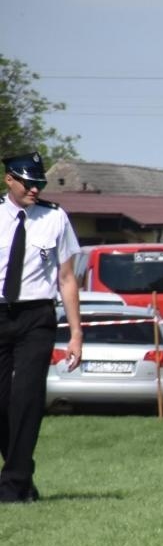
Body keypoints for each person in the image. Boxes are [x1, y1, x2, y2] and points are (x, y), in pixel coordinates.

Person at [0, 152, 82, 503]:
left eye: (39, 183)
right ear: (9, 179)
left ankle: (13, 484)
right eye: (28, 183)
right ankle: (23, 475)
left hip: (37, 315)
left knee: (28, 398)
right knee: (2, 402)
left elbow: (66, 278)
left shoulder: (55, 217)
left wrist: (76, 333)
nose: (35, 189)